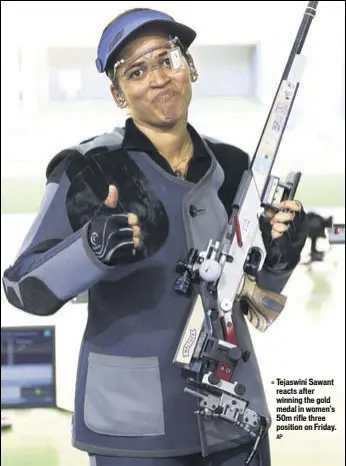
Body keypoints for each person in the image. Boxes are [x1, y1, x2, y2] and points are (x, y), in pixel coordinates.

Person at [2, 8, 307, 466]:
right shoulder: (90, 168)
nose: (159, 78)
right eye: (137, 70)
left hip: (234, 421)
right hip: (133, 434)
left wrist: (281, 255)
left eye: (168, 58)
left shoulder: (235, 166)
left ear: (192, 67)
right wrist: (90, 250)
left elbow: (249, 296)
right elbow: (21, 285)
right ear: (117, 93)